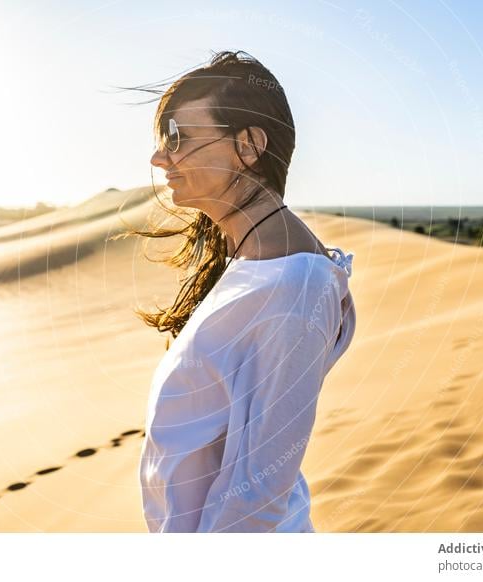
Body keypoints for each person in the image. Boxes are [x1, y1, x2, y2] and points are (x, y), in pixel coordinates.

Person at [120, 50, 357, 532]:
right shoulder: (252, 258)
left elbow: (258, 496)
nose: (159, 156)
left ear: (248, 146)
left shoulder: (294, 284)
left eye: (178, 137)